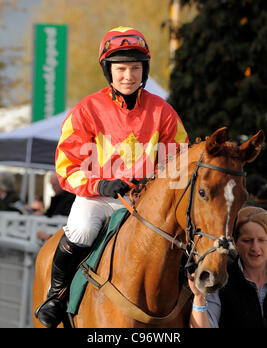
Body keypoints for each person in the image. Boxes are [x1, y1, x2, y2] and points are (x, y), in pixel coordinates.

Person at [36, 26, 189, 328]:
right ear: (108, 71)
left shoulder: (164, 112)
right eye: (120, 69)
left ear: (144, 70)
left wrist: (157, 188)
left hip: (144, 203)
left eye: (135, 68)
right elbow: (67, 164)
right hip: (98, 197)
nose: (128, 76)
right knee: (79, 231)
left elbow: (179, 163)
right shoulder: (86, 110)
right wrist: (100, 184)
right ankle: (56, 296)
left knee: (179, 243)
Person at [188, 206, 267, 328]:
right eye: (247, 240)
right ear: (235, 243)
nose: (255, 247)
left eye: (261, 240)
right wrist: (199, 298)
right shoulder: (221, 282)